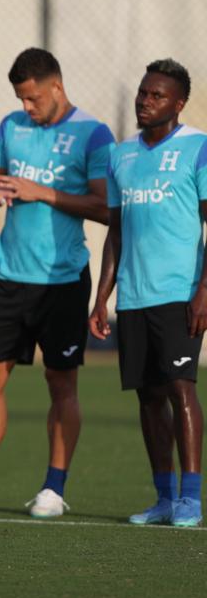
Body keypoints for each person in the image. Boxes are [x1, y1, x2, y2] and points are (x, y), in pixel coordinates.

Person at [0, 47, 114, 518]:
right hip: (11, 276)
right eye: (21, 99)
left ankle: (54, 490)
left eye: (33, 99)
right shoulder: (11, 127)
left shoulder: (93, 134)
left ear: (56, 86)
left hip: (63, 279)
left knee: (61, 383)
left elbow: (104, 207)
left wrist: (41, 193)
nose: (27, 108)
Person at [90, 59, 205, 528]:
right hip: (133, 296)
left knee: (181, 388)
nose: (145, 100)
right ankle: (162, 498)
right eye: (142, 92)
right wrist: (102, 298)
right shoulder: (120, 156)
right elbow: (115, 232)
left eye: (156, 95)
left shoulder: (198, 148)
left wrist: (204, 290)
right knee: (147, 397)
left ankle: (191, 499)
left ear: (178, 104)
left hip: (179, 293)